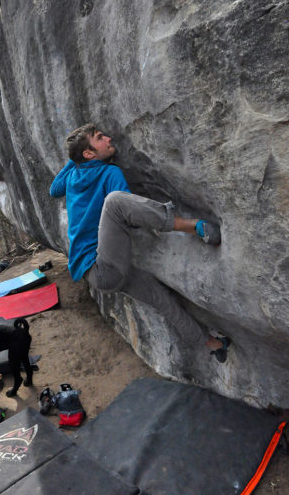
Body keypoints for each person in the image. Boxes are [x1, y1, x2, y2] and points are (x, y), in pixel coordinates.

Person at [50, 123, 230, 362]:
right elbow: (128, 213)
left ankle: (214, 345)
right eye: (100, 137)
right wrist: (78, 156)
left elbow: (54, 189)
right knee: (115, 201)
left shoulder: (74, 175)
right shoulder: (108, 173)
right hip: (100, 265)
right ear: (89, 153)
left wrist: (76, 158)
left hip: (99, 275)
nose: (109, 138)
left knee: (161, 300)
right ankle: (193, 226)